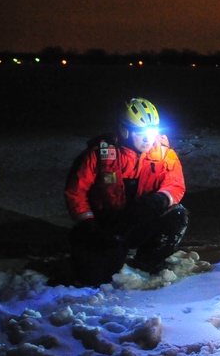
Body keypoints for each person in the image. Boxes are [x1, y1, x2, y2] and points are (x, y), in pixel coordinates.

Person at [64, 98, 188, 286]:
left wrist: (159, 200)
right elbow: (75, 192)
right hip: (107, 225)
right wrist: (88, 223)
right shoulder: (100, 153)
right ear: (125, 130)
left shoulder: (164, 154)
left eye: (152, 132)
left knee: (177, 215)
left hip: (141, 219)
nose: (147, 139)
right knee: (94, 278)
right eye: (140, 133)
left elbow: (175, 184)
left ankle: (145, 262)